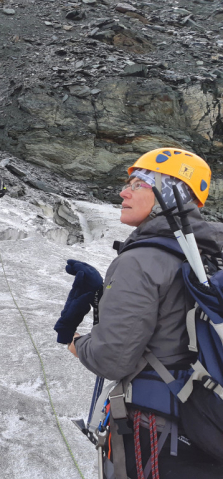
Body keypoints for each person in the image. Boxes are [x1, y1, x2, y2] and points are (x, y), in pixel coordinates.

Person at [56, 148, 221, 478]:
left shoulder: (140, 259)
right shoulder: (210, 256)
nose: (123, 191)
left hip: (158, 433)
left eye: (140, 182)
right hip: (208, 425)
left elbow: (111, 359)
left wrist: (74, 341)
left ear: (170, 192)